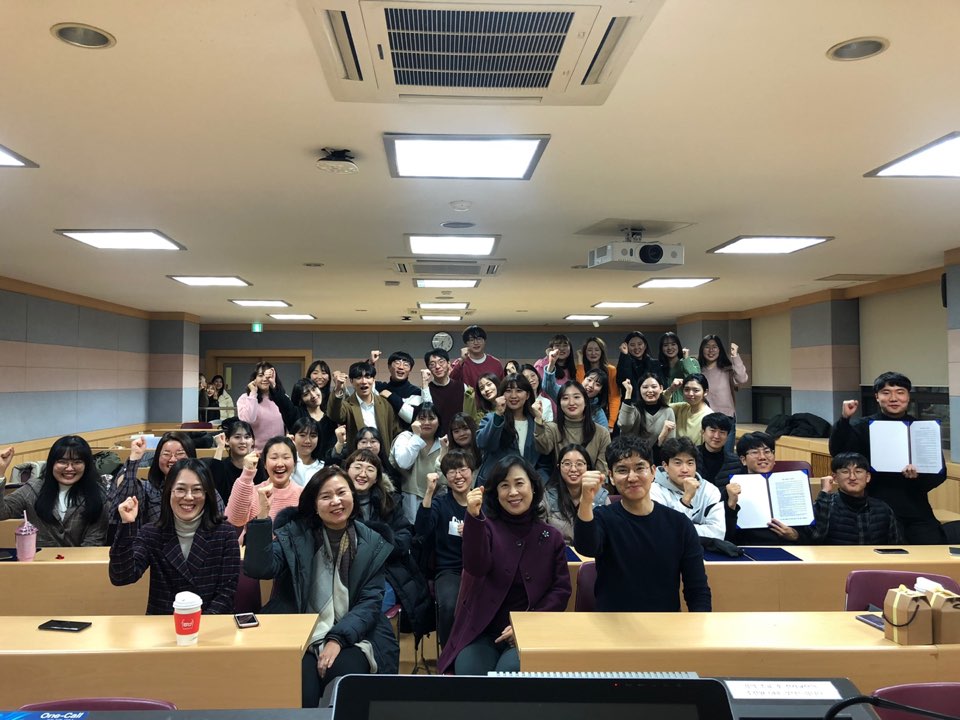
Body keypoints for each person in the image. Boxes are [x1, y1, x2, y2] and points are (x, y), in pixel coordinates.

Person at [243, 467, 399, 706]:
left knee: (343, 683)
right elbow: (259, 569)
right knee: (302, 690)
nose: (336, 501)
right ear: (314, 505)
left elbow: (369, 603)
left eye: (341, 493)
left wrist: (337, 639)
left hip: (355, 632)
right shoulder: (295, 535)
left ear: (353, 496)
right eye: (326, 496)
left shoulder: (372, 543)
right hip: (299, 628)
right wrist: (263, 516)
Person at [438, 456, 571, 675]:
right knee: (469, 673)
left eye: (519, 483)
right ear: (496, 493)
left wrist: (526, 624)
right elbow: (475, 567)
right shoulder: (486, 527)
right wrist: (473, 518)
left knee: (509, 675)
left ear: (533, 487)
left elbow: (561, 590)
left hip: (529, 630)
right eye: (504, 486)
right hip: (482, 630)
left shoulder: (551, 536)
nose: (513, 492)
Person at [574, 435, 711, 612]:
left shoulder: (679, 524)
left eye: (640, 468)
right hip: (613, 622)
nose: (632, 477)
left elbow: (697, 590)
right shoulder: (603, 518)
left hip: (664, 622)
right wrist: (586, 500)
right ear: (611, 477)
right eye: (622, 470)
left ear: (653, 472)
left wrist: (698, 624)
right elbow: (586, 547)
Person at [828, 371, 946, 544]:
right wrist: (844, 419)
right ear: (877, 397)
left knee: (933, 547)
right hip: (873, 509)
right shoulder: (862, 426)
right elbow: (838, 453)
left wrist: (918, 476)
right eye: (886, 393)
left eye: (900, 392)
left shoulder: (923, 429)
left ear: (908, 397)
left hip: (915, 507)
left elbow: (940, 474)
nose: (893, 398)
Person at [110, 458, 240, 614]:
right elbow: (122, 576)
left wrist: (198, 624)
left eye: (197, 490)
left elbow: (226, 593)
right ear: (169, 491)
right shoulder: (151, 533)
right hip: (164, 623)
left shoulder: (225, 533)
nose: (189, 497)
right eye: (180, 489)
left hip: (210, 622)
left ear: (207, 494)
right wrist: (126, 525)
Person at [771, 453, 902, 545]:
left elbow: (896, 545)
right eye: (845, 472)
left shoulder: (883, 508)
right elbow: (814, 539)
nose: (852, 477)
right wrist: (824, 494)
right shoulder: (826, 505)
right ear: (834, 477)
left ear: (867, 477)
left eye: (858, 472)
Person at [109, 432, 224, 536]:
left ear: (191, 457)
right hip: (155, 547)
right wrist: (135, 457)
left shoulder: (205, 490)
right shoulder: (147, 489)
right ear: (157, 458)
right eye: (166, 454)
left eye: (180, 453)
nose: (173, 459)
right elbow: (124, 497)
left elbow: (220, 523)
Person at [0, 436, 108, 546]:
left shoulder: (98, 494)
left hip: (81, 556)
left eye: (77, 462)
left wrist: (74, 558)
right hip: (40, 556)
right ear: (52, 463)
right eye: (62, 462)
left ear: (86, 465)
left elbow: (95, 540)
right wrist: (0, 473)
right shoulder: (34, 488)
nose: (69, 468)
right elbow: (2, 512)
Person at [416, 450, 473, 647]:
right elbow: (422, 529)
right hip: (449, 570)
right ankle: (449, 652)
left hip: (481, 569)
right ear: (445, 476)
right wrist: (429, 492)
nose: (458, 476)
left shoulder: (482, 502)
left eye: (462, 469)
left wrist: (475, 531)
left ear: (471, 471)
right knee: (449, 606)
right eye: (451, 471)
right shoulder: (440, 504)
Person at [723, 432, 806, 545]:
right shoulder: (732, 489)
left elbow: (810, 533)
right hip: (747, 548)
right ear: (743, 460)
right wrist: (731, 505)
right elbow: (724, 534)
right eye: (755, 452)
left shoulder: (790, 484)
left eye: (767, 452)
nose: (762, 457)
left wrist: (795, 535)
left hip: (789, 547)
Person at [475, 374, 551, 486]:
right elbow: (484, 444)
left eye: (519, 390)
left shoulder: (536, 422)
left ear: (527, 395)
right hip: (494, 485)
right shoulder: (492, 419)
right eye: (508, 391)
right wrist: (498, 415)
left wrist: (536, 483)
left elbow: (545, 462)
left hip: (524, 487)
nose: (513, 395)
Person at [225, 436, 303, 534]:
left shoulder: (303, 494)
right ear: (265, 464)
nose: (280, 464)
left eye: (286, 457)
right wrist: (247, 473)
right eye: (274, 458)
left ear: (294, 463)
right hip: (256, 543)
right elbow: (233, 520)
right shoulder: (253, 492)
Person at [651, 437, 724, 540]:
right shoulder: (654, 491)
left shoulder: (710, 490)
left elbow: (718, 533)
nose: (685, 470)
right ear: (665, 466)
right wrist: (686, 500)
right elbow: (663, 533)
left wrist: (683, 531)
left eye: (690, 463)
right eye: (678, 463)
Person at [534, 380, 611, 475]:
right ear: (559, 403)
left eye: (576, 397)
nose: (571, 402)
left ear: (585, 402)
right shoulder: (552, 428)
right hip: (560, 482)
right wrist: (538, 419)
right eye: (565, 398)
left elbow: (602, 471)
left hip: (591, 482)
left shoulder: (602, 433)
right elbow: (543, 449)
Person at [328, 361, 401, 451]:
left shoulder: (385, 404)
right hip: (358, 456)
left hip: (382, 455)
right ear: (351, 381)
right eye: (358, 377)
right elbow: (334, 415)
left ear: (373, 380)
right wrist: (338, 388)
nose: (364, 381)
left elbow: (395, 431)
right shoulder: (347, 405)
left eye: (368, 377)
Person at [543, 444, 609, 544]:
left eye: (579, 464)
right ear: (559, 467)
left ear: (587, 467)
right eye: (567, 464)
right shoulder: (548, 496)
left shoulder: (601, 497)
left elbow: (608, 536)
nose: (573, 469)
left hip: (592, 552)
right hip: (559, 551)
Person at [389, 403, 443, 523]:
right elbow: (404, 463)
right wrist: (417, 436)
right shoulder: (405, 438)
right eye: (422, 418)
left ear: (439, 421)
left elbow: (446, 479)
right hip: (408, 498)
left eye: (431, 418)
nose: (426, 422)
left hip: (436, 500)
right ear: (414, 421)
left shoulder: (443, 443)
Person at [697, 335, 748, 451]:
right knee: (706, 453)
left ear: (720, 350)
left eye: (715, 347)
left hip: (726, 417)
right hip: (704, 417)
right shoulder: (698, 370)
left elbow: (742, 379)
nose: (711, 350)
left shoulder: (727, 369)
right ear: (702, 349)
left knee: (726, 454)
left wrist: (735, 355)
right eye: (707, 347)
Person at [420, 349, 478, 438]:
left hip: (461, 437)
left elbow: (470, 414)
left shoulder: (462, 387)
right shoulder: (427, 390)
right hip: (437, 439)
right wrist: (425, 382)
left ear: (448, 364)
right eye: (432, 364)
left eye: (441, 362)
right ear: (429, 369)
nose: (437, 367)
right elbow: (426, 414)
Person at [617, 375, 676, 461]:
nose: (650, 390)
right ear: (639, 390)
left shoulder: (668, 411)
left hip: (657, 460)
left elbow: (670, 447)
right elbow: (624, 425)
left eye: (654, 387)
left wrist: (661, 439)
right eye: (645, 387)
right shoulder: (632, 409)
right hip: (630, 458)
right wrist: (628, 392)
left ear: (661, 388)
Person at [238, 362, 294, 451]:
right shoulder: (245, 398)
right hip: (254, 452)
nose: (265, 379)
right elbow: (248, 419)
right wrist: (253, 393)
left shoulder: (282, 398)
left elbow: (289, 423)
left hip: (279, 451)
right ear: (254, 378)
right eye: (260, 375)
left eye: (268, 376)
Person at [208, 419, 262, 502]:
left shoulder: (258, 464)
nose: (243, 441)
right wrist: (220, 447)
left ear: (252, 441)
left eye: (247, 437)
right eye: (237, 437)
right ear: (227, 440)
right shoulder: (222, 466)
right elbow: (215, 494)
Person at [577, 336, 620, 431]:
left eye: (597, 350)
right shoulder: (581, 369)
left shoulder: (611, 370)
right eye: (589, 350)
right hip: (583, 413)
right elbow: (581, 389)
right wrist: (580, 361)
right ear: (585, 352)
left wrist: (611, 423)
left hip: (604, 413)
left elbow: (614, 396)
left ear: (602, 352)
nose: (593, 353)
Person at [287, 378, 337, 460]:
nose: (313, 395)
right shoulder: (298, 415)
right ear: (301, 400)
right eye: (306, 394)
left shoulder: (331, 416)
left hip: (329, 463)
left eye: (314, 389)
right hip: (304, 463)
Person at [373, 350, 423, 430]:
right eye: (397, 363)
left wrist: (391, 396)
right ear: (389, 367)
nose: (401, 367)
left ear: (410, 370)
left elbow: (410, 417)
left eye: (406, 365)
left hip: (406, 435)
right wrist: (371, 363)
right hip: (382, 434)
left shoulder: (416, 392)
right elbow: (365, 383)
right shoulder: (380, 387)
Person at [450, 325, 504, 389]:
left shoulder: (496, 363)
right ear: (466, 343)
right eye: (471, 340)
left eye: (479, 339)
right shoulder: (460, 363)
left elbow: (502, 387)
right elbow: (450, 383)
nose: (476, 343)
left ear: (484, 341)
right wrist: (462, 361)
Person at [696, 413, 741, 488]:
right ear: (703, 432)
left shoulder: (735, 462)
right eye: (712, 431)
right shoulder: (691, 456)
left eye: (722, 432)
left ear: (727, 436)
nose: (717, 436)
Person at [668, 373, 713, 445]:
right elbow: (661, 406)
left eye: (696, 390)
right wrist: (671, 390)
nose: (690, 394)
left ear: (705, 392)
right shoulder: (682, 407)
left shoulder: (709, 417)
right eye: (687, 389)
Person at [658, 332, 700, 403]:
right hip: (667, 406)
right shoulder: (659, 367)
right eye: (665, 345)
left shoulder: (692, 361)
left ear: (678, 346)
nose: (670, 348)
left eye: (673, 344)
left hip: (688, 406)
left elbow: (696, 380)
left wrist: (686, 359)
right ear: (661, 348)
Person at [291, 417, 324, 487]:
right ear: (293, 437)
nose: (307, 441)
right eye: (302, 435)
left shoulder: (322, 467)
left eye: (313, 436)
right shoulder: (285, 463)